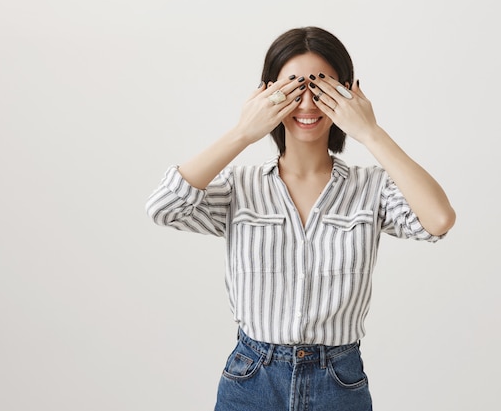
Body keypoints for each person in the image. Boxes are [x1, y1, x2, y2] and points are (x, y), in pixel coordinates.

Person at [146, 26, 455, 411]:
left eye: (322, 88)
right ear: (266, 94)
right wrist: (244, 132)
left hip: (339, 382)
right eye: (292, 88)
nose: (307, 103)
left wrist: (371, 133)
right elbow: (163, 206)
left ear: (347, 94)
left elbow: (438, 219)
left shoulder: (371, 189)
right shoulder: (238, 187)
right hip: (252, 379)